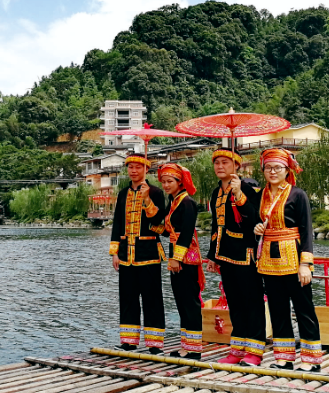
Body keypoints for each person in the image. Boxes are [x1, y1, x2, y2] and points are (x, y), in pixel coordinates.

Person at [253, 149, 322, 371]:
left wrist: (305, 264)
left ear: (287, 170)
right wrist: (257, 229)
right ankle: (284, 358)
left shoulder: (297, 194)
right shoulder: (260, 196)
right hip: (269, 260)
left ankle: (312, 361)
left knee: (304, 308)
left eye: (278, 168)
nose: (273, 172)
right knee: (278, 309)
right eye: (268, 168)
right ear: (263, 170)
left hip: (293, 257)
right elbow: (254, 225)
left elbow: (307, 230)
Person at [207, 148, 264, 366]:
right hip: (225, 254)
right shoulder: (216, 193)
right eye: (217, 163)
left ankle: (255, 351)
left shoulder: (250, 189)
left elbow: (254, 220)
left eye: (225, 162)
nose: (220, 166)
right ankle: (238, 348)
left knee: (252, 303)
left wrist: (240, 195)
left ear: (236, 166)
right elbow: (216, 225)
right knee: (235, 304)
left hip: (246, 254)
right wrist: (213, 255)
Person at [109, 154, 167, 353]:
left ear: (146, 170)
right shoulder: (123, 193)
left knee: (152, 298)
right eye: (130, 167)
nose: (134, 171)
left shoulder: (157, 192)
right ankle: (129, 341)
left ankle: (154, 343)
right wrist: (115, 252)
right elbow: (117, 223)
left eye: (138, 167)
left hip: (148, 252)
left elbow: (159, 221)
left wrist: (147, 200)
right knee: (127, 298)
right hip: (126, 254)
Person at [156, 163, 203, 359]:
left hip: (186, 258)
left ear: (179, 182)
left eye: (170, 181)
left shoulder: (187, 203)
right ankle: (186, 345)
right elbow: (169, 230)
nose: (166, 185)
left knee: (189, 303)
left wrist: (176, 259)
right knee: (181, 302)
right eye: (164, 181)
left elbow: (186, 232)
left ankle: (194, 349)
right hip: (176, 256)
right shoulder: (174, 201)